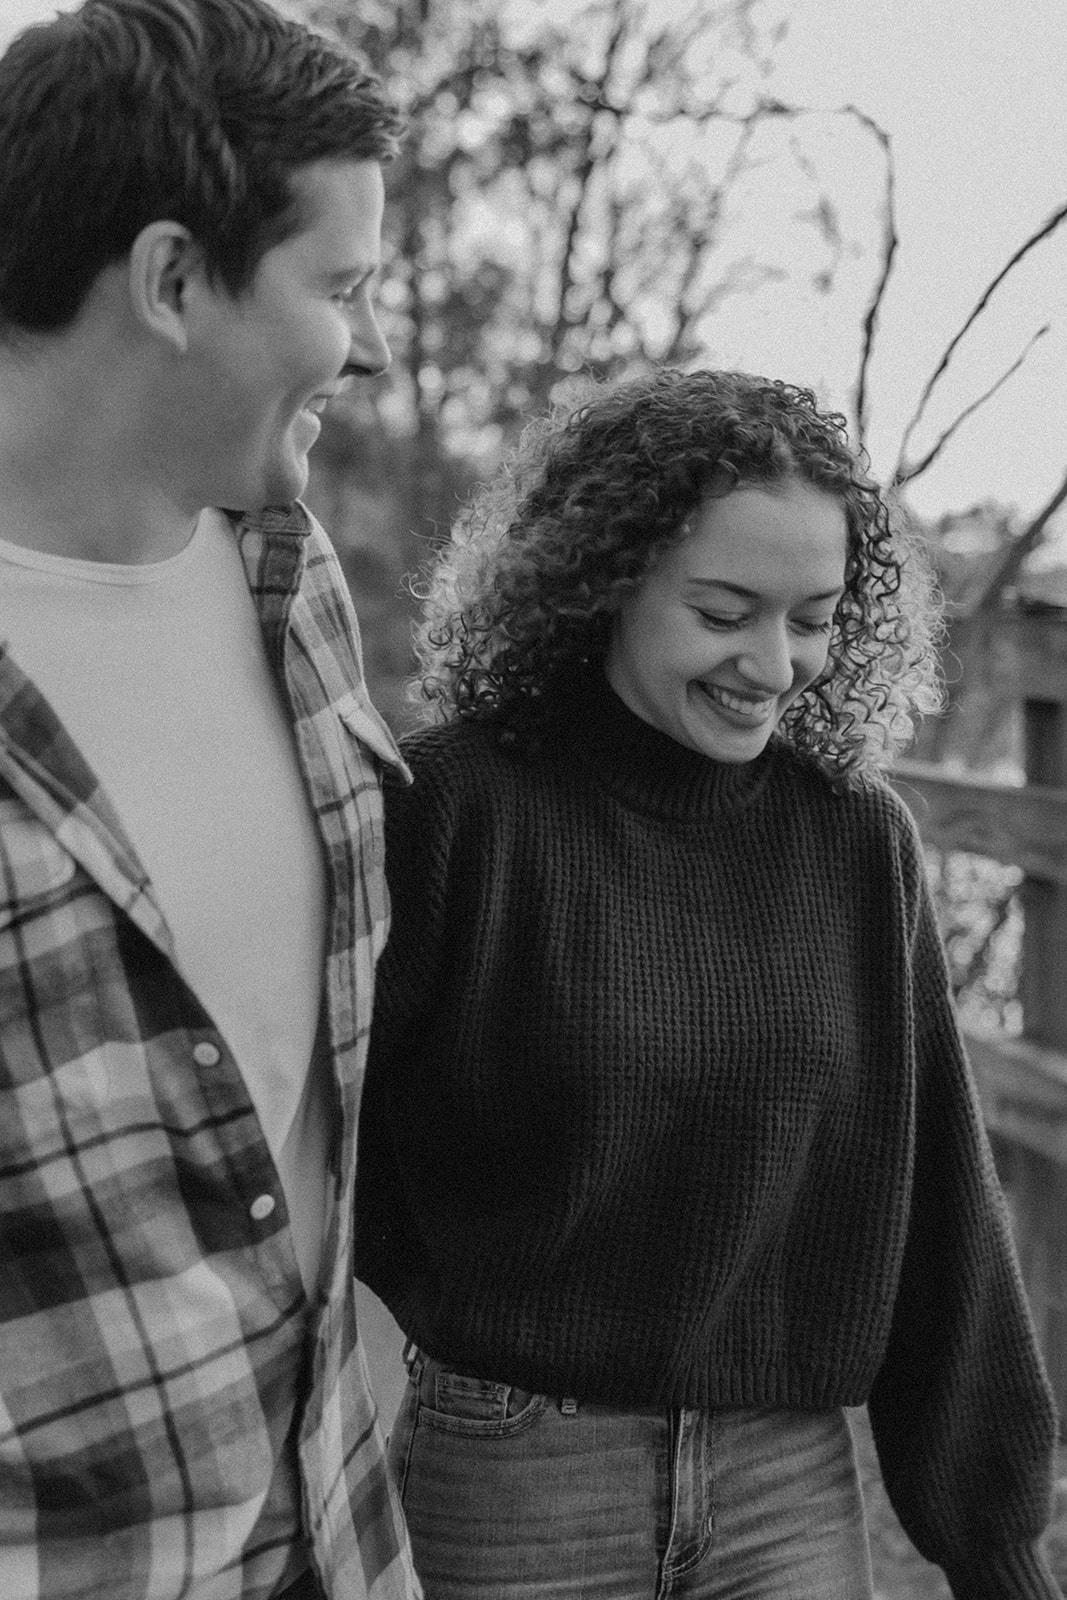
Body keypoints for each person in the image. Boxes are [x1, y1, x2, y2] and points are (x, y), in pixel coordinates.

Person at [354, 368, 1064, 1600]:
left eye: (811, 617)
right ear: (604, 579)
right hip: (514, 1474)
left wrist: (995, 1549)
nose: (773, 665)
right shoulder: (452, 811)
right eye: (725, 610)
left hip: (781, 1477)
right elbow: (323, 1155)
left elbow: (940, 1210)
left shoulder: (854, 842)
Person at [0, 2, 421, 1597]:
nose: (370, 345)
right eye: (340, 288)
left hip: (336, 1518)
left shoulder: (281, 571)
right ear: (174, 281)